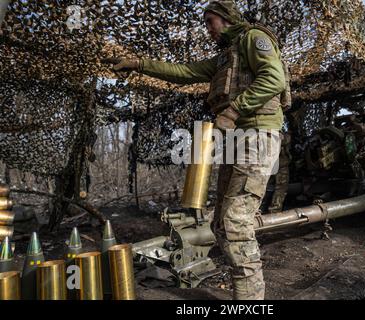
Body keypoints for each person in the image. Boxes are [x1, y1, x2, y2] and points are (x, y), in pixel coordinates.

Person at [107, 0, 289, 300]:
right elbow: (183, 71)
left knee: (235, 222)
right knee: (220, 223)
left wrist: (232, 111)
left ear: (227, 19)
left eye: (210, 22)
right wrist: (140, 64)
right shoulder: (224, 58)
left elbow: (274, 78)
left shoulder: (254, 39)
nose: (208, 30)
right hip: (236, 139)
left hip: (258, 134)